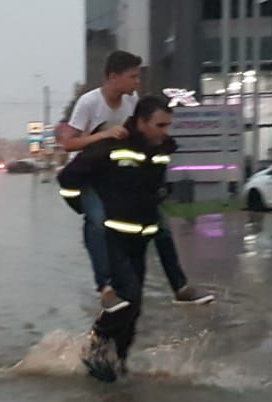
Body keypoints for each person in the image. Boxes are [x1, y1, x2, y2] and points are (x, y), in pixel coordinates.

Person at [58, 50, 213, 311]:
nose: (137, 82)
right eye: (132, 77)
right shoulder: (90, 103)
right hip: (90, 174)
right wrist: (103, 136)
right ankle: (105, 289)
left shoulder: (133, 102)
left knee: (159, 225)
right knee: (97, 222)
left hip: (119, 174)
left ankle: (180, 288)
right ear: (113, 76)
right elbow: (68, 144)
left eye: (138, 77)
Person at [58, 97, 178, 382]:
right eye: (160, 125)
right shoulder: (108, 143)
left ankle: (119, 362)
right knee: (129, 295)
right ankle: (95, 348)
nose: (165, 131)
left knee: (134, 308)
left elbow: (150, 188)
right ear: (141, 123)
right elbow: (68, 178)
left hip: (140, 236)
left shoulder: (159, 151)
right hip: (113, 236)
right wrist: (90, 209)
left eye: (168, 125)